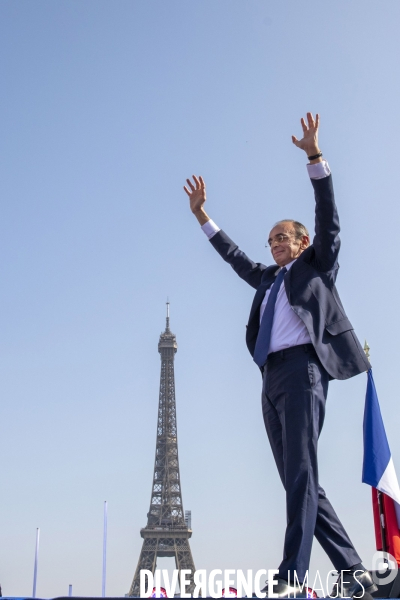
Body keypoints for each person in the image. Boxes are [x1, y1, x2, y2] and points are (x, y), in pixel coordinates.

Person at [183, 113, 376, 599]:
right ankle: (355, 573)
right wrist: (204, 217)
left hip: (304, 371)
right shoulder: (268, 279)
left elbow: (329, 218)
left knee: (301, 476)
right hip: (271, 379)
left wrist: (314, 157)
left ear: (302, 242)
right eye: (270, 240)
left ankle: (292, 574)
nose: (274, 245)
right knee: (299, 479)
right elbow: (235, 259)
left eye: (282, 238)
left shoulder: (315, 266)